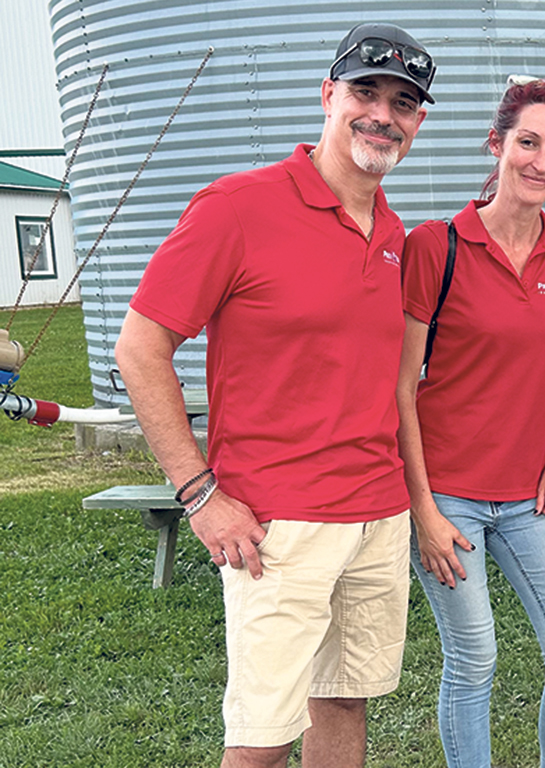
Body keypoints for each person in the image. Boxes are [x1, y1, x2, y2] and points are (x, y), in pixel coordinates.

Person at [113, 22, 433, 768]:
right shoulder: (237, 208)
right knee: (260, 740)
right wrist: (198, 492)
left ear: (419, 123)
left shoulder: (392, 233)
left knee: (344, 700)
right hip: (277, 525)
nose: (382, 114)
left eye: (404, 102)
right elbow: (140, 347)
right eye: (365, 92)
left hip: (374, 515)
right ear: (327, 95)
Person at [398, 76, 545, 768]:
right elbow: (400, 386)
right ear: (497, 144)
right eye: (528, 143)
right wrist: (422, 510)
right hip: (448, 492)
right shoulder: (436, 246)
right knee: (475, 655)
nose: (542, 162)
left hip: (527, 495)